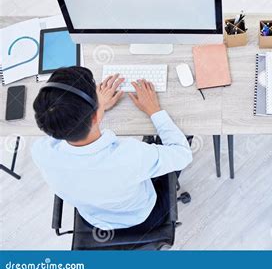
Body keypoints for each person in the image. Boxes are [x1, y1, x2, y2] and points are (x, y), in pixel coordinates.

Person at [31, 66, 192, 230]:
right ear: (95, 116)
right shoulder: (131, 156)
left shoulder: (40, 152)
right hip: (141, 215)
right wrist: (154, 111)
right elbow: (183, 154)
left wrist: (87, 111)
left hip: (95, 219)